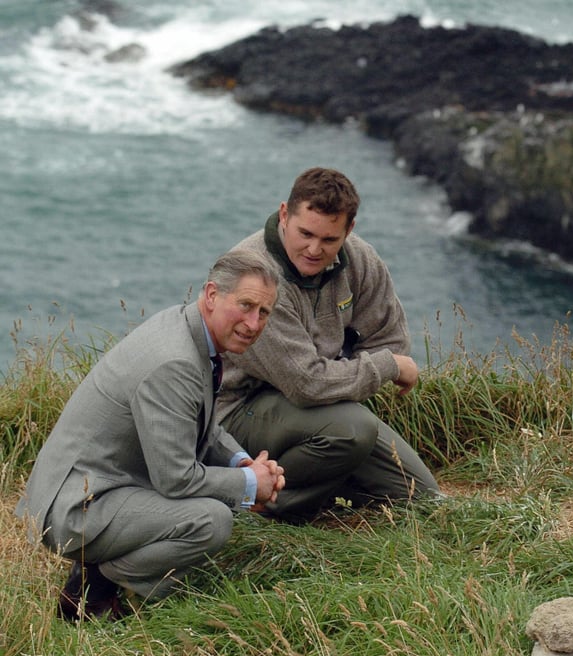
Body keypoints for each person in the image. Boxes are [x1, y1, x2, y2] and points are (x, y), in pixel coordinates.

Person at [16, 249, 286, 621]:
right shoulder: (175, 361)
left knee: (219, 499)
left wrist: (241, 463)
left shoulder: (187, 330)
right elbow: (176, 480)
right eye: (246, 305)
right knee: (211, 520)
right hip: (74, 508)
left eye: (264, 312)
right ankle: (92, 589)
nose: (254, 323)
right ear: (211, 295)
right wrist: (248, 484)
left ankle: (95, 578)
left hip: (94, 485)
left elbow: (201, 422)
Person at [216, 167, 441, 525]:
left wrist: (341, 375)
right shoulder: (256, 275)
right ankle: (258, 505)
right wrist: (388, 368)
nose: (314, 249)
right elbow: (308, 384)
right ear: (285, 215)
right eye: (305, 233)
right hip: (236, 411)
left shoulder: (360, 259)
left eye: (329, 239)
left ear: (348, 230)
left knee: (423, 498)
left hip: (323, 406)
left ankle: (321, 483)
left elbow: (391, 338)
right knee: (353, 431)